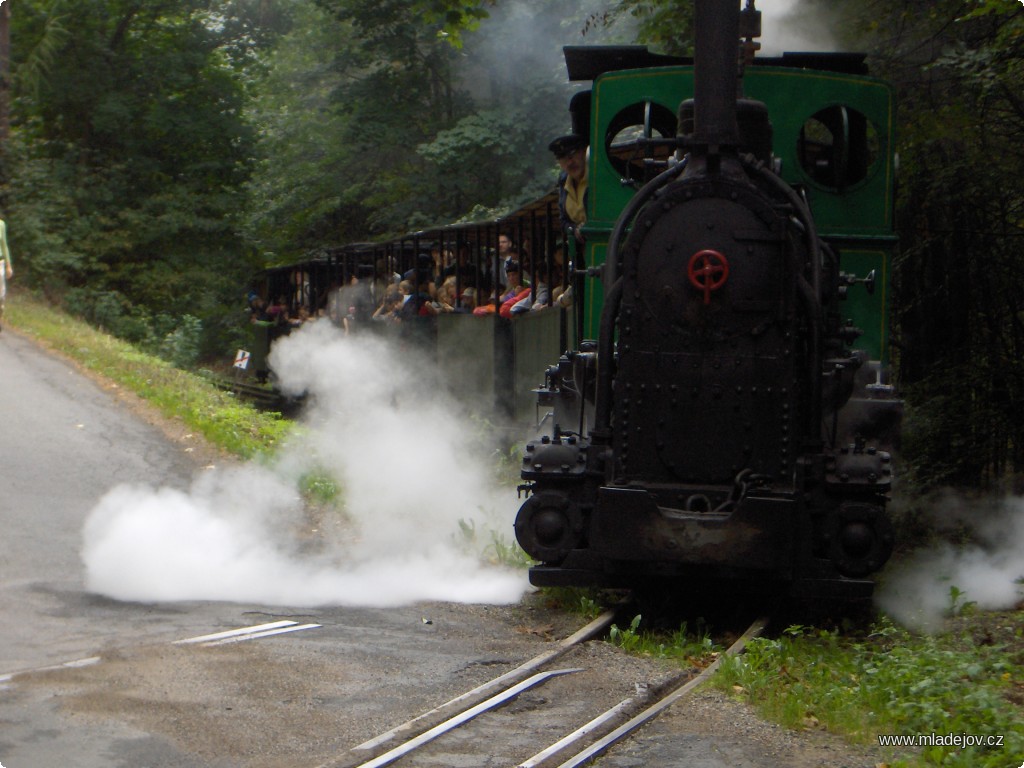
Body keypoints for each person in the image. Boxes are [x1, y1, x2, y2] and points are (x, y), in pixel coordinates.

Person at [549, 134, 589, 243]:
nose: (569, 162)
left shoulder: (598, 177)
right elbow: (563, 221)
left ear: (584, 152)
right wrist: (574, 229)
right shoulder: (563, 182)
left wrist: (588, 226)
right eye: (563, 158)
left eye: (572, 154)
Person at [0, 217, 11, 332]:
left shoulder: (1, 225)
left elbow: (4, 245)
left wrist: (8, 265)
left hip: (0, 262)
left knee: (1, 295)